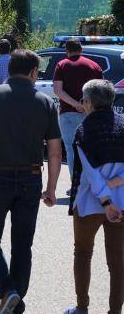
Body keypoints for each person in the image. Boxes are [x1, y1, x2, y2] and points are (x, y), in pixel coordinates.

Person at [0, 49, 62, 314]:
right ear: (33, 72)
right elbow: (54, 151)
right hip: (31, 178)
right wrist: (51, 188)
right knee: (22, 244)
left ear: (9, 69)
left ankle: (8, 292)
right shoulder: (45, 102)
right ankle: (14, 298)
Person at [65, 79, 124, 314]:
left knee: (83, 254)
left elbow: (90, 174)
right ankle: (115, 311)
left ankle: (82, 308)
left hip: (89, 203)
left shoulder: (84, 131)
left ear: (88, 103)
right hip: (121, 202)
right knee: (118, 261)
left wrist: (105, 201)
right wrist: (116, 183)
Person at [54, 39, 104, 179]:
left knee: (71, 149)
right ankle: (92, 181)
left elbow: (58, 90)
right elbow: (101, 91)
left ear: (67, 51)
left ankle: (75, 183)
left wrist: (76, 104)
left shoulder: (62, 65)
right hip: (91, 114)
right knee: (91, 149)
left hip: (68, 113)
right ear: (81, 49)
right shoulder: (94, 65)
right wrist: (86, 106)